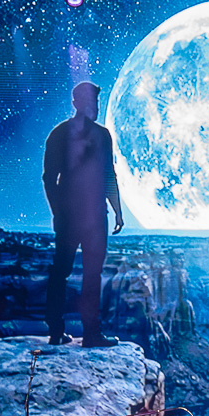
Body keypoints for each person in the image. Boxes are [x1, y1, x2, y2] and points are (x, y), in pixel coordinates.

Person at [42, 81, 124, 348]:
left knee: (65, 272)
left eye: (96, 102)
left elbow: (50, 179)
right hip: (90, 218)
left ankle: (61, 332)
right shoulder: (96, 135)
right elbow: (108, 176)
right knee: (86, 274)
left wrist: (58, 213)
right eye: (91, 102)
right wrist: (116, 211)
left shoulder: (62, 133)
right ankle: (88, 334)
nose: (95, 107)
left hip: (78, 217)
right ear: (77, 103)